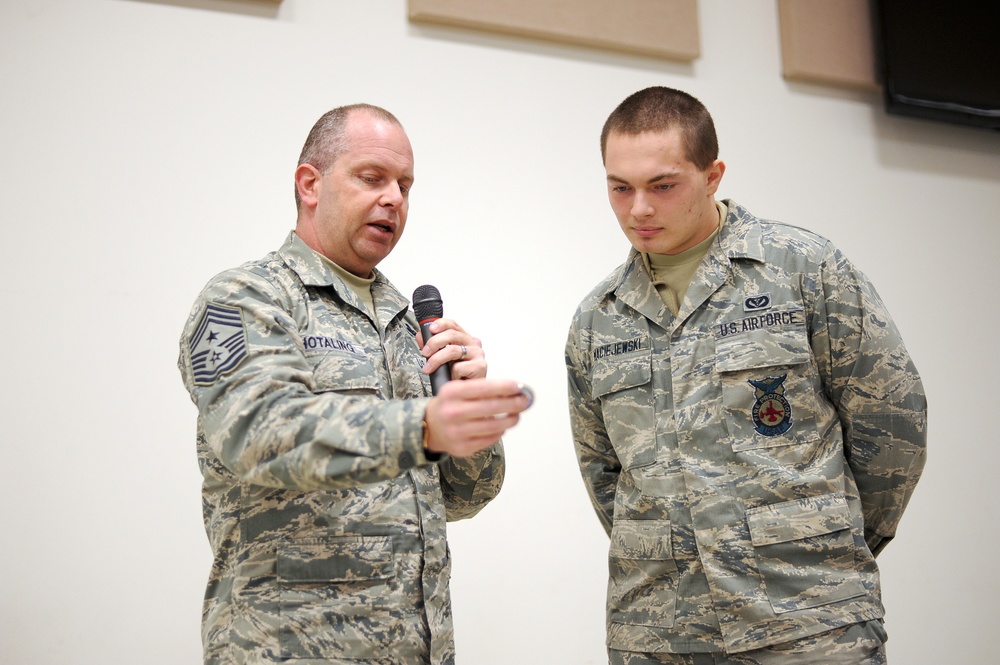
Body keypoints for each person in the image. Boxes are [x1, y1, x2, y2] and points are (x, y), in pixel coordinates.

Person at [565, 87, 927, 664]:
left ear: (712, 175)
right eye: (619, 187)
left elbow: (891, 423)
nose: (639, 209)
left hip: (810, 621)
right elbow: (604, 472)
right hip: (661, 632)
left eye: (662, 185)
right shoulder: (598, 318)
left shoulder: (800, 269)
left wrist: (824, 540)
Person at [178, 103, 531, 665]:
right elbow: (262, 436)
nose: (394, 198)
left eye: (405, 185)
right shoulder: (247, 298)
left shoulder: (407, 317)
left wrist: (470, 414)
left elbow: (464, 497)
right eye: (372, 178)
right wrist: (424, 426)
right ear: (309, 184)